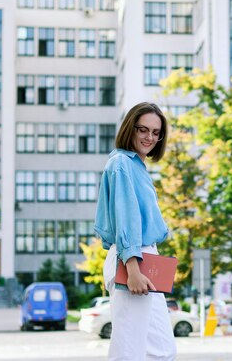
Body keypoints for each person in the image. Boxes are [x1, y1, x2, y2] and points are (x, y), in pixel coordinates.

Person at [95, 102, 176, 361]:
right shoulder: (121, 164)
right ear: (130, 127)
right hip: (132, 260)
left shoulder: (137, 165)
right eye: (143, 129)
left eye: (156, 132)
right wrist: (132, 270)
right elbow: (126, 218)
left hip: (146, 258)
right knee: (128, 351)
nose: (149, 137)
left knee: (162, 351)